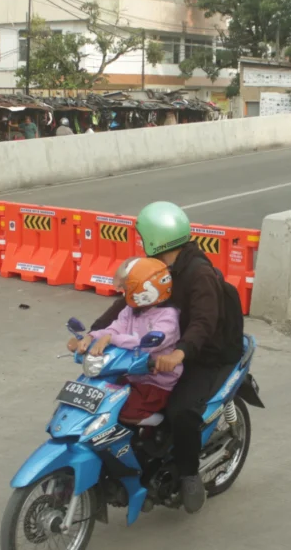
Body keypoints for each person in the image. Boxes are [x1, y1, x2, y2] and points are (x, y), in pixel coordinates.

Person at [90, 201, 243, 514]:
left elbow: (204, 322)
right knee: (113, 393)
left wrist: (180, 353)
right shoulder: (158, 269)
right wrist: (92, 335)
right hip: (158, 353)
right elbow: (130, 303)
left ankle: (188, 475)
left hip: (203, 355)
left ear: (153, 238)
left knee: (181, 411)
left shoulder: (198, 274)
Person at [68, 258, 183, 423]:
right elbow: (115, 328)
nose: (124, 291)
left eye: (129, 288)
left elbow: (148, 343)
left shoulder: (168, 317)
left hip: (156, 381)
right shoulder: (131, 310)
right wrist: (92, 337)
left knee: (126, 413)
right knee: (100, 403)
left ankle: (161, 429)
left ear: (147, 290)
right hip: (130, 375)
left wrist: (111, 339)